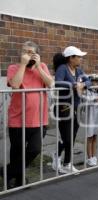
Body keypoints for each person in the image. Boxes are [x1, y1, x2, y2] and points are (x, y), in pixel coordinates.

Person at [6, 41, 54, 188]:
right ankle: (18, 179)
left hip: (39, 120)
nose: (27, 55)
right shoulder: (13, 68)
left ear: (37, 54)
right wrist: (22, 65)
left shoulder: (43, 67)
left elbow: (50, 83)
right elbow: (15, 85)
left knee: (34, 149)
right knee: (17, 151)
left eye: (31, 52)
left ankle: (7, 172)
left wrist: (38, 66)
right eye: (25, 52)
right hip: (18, 119)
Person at [52, 46, 91, 174]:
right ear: (71, 58)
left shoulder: (78, 71)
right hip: (64, 107)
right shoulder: (62, 69)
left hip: (77, 107)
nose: (81, 59)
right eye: (78, 57)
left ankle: (59, 156)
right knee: (67, 137)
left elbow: (89, 81)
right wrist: (74, 85)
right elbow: (57, 83)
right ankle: (67, 163)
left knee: (71, 136)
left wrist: (83, 84)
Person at [82, 75, 98, 166]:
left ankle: (94, 156)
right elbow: (85, 101)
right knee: (90, 137)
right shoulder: (87, 91)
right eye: (95, 81)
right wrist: (94, 99)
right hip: (90, 116)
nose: (97, 83)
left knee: (95, 136)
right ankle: (89, 157)